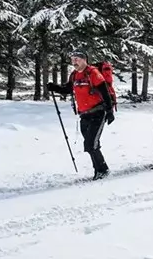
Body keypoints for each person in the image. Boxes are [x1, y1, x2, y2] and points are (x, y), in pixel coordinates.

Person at [46, 50, 114, 180]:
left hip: (98, 112)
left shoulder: (93, 73)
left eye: (77, 59)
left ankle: (101, 171)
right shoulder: (75, 75)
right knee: (91, 144)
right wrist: (54, 87)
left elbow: (105, 92)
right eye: (72, 59)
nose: (74, 62)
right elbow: (67, 89)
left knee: (90, 144)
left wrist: (110, 111)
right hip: (84, 115)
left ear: (84, 60)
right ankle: (101, 169)